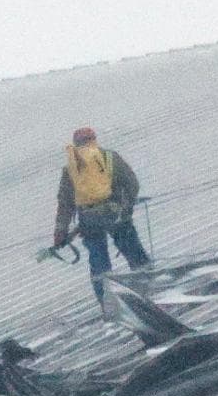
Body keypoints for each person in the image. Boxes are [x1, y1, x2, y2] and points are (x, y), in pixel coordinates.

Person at [52, 127, 151, 305]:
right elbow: (132, 184)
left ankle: (108, 303)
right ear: (94, 139)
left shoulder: (71, 168)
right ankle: (150, 288)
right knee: (134, 253)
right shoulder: (110, 157)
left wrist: (60, 231)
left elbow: (65, 203)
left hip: (89, 221)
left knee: (99, 262)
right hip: (117, 216)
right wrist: (125, 208)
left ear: (76, 144)